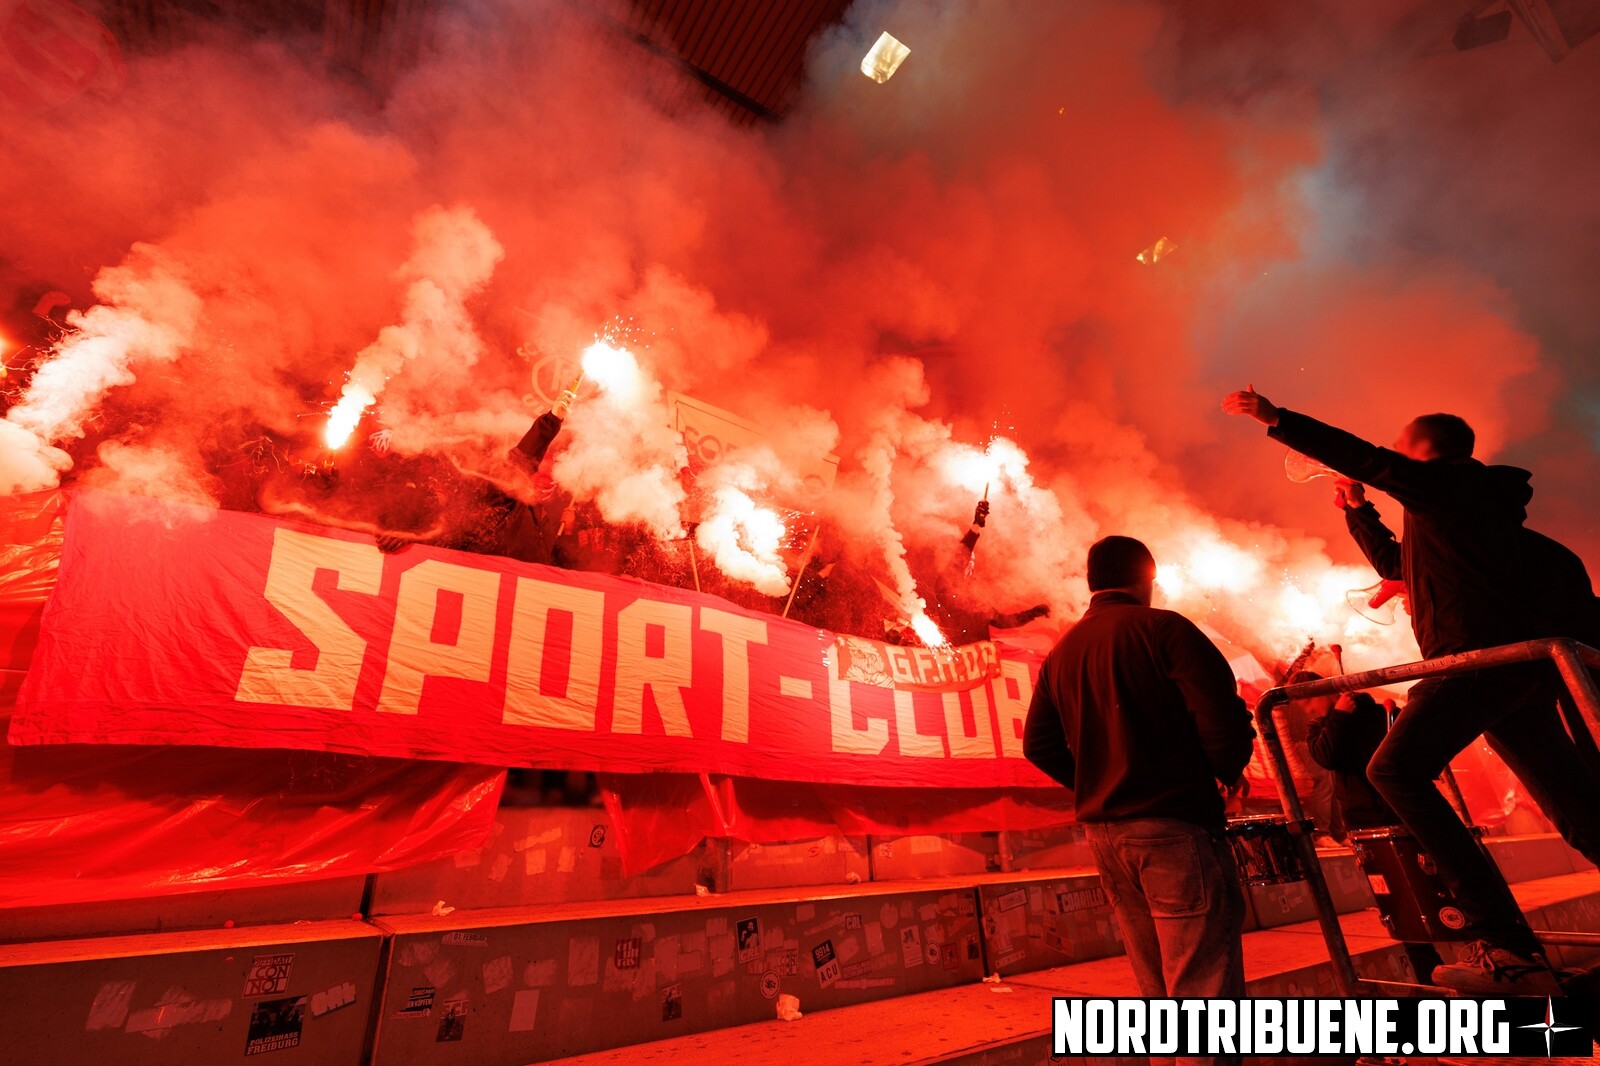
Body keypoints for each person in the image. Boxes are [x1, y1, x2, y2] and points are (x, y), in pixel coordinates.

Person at [1223, 386, 1600, 991]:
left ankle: (1505, 944)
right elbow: (1397, 566)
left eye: (1402, 446)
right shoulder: (1460, 515)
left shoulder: (1452, 485)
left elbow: (1367, 457)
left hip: (1474, 664)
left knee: (1394, 770)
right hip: (1507, 673)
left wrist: (1277, 418)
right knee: (1578, 809)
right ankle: (1514, 949)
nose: (1393, 453)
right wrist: (1357, 510)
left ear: (1424, 450)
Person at [1024, 536, 1256, 1032]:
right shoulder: (1164, 628)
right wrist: (1226, 772)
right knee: (1202, 995)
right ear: (1148, 577)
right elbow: (1222, 721)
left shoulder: (1062, 652)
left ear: (1092, 583)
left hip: (1105, 836)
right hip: (1173, 828)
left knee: (1157, 993)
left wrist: (1099, 780)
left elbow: (1038, 745)